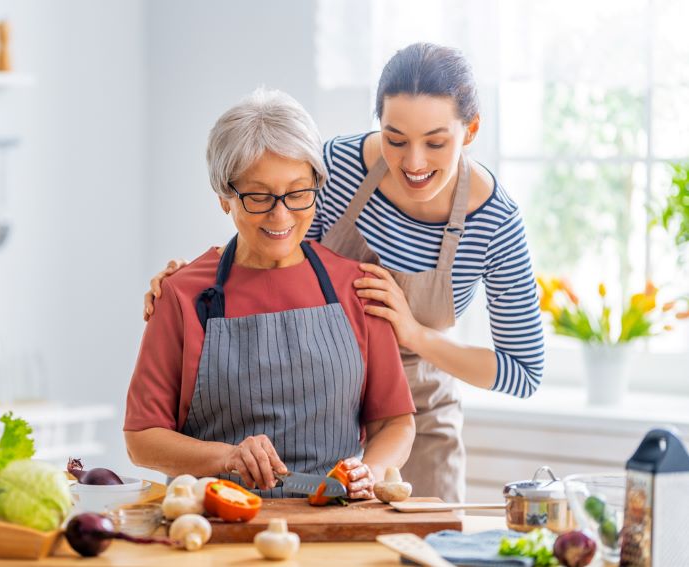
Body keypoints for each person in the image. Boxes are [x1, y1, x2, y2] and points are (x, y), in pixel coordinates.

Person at [143, 43, 545, 503]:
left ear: (470, 130)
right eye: (395, 139)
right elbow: (272, 230)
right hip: (324, 399)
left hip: (418, 413)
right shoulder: (336, 169)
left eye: (435, 142)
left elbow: (523, 371)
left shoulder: (495, 222)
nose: (413, 162)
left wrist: (413, 334)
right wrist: (187, 280)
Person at [124, 88, 416, 499]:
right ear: (225, 197)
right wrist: (226, 458)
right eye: (259, 197)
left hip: (334, 521)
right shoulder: (181, 294)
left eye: (298, 193)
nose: (280, 216)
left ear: (318, 184)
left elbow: (396, 422)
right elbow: (142, 438)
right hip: (216, 526)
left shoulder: (356, 287)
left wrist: (369, 471)